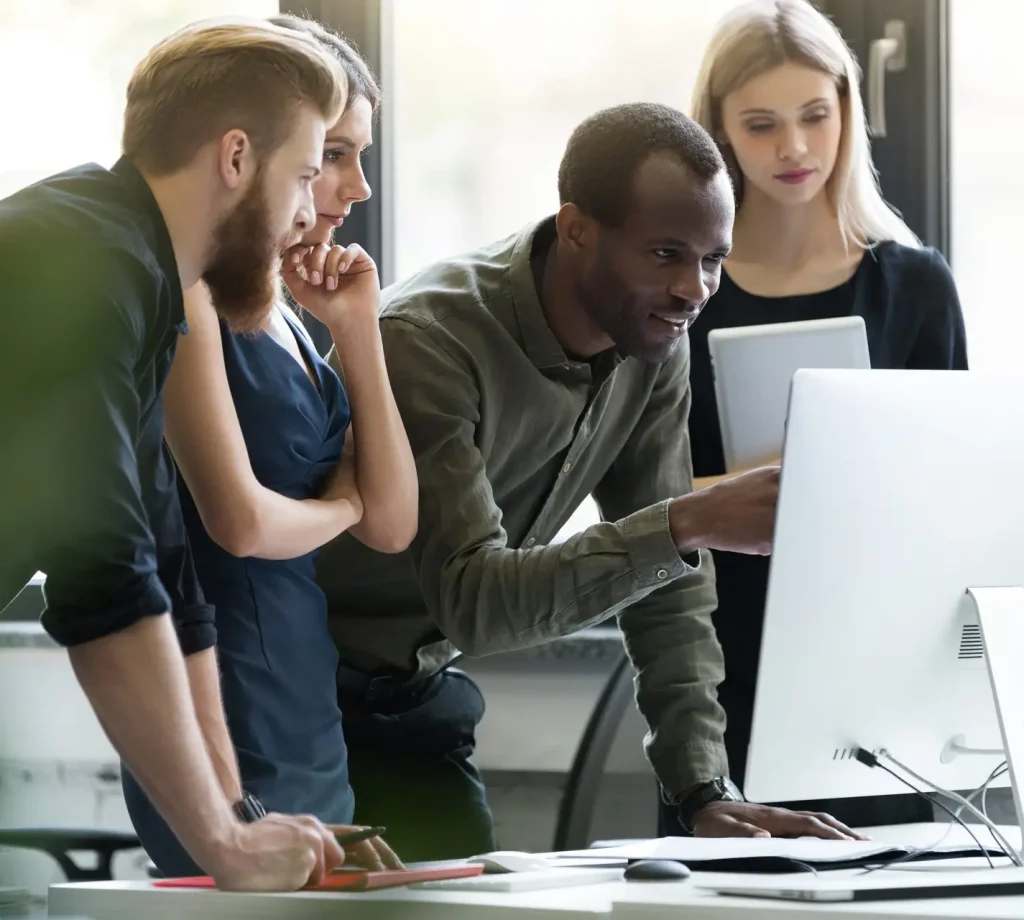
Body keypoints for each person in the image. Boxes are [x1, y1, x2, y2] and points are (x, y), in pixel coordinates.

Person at [316, 102, 867, 862]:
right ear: (576, 229)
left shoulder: (655, 345)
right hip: (301, 698)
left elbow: (670, 587)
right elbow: (476, 603)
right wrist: (686, 523)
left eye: (713, 259)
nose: (695, 290)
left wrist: (703, 791)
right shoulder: (430, 341)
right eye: (666, 253)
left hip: (414, 694)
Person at [0, 19, 355, 890]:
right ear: (235, 156)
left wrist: (236, 818)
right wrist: (222, 845)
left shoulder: (141, 272)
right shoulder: (81, 259)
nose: (311, 211)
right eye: (305, 173)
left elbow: (165, 570)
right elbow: (102, 574)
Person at [655, 0, 968, 836]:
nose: (794, 148)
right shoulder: (682, 294)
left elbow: (953, 495)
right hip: (715, 651)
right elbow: (640, 498)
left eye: (815, 117)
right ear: (718, 132)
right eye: (760, 125)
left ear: (847, 114)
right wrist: (740, 499)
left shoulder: (914, 286)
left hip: (869, 661)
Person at [119, 14, 413, 878]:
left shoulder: (282, 306)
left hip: (302, 693)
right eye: (331, 154)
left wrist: (358, 333)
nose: (352, 186)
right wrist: (344, 502)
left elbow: (392, 522)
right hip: (228, 688)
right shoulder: (191, 293)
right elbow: (239, 522)